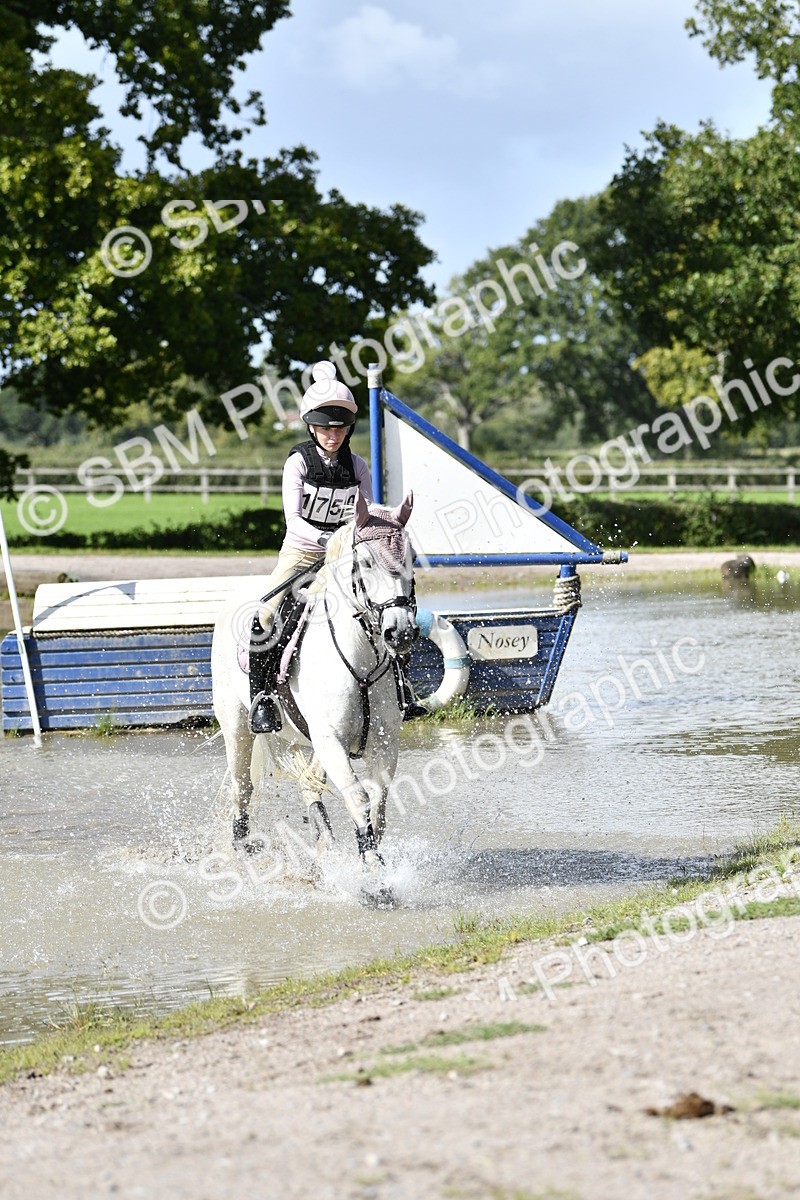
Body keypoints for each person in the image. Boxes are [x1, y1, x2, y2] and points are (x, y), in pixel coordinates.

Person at [248, 360, 374, 733]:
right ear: (311, 427)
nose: (331, 435)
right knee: (267, 614)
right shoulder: (297, 462)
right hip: (302, 551)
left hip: (344, 556)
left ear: (348, 429)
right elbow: (294, 521)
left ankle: (400, 691)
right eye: (323, 428)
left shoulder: (359, 467)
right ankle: (262, 699)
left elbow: (363, 516)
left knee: (382, 606)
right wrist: (329, 539)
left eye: (338, 428)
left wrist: (352, 543)